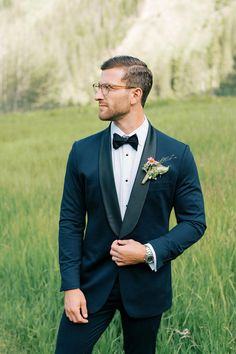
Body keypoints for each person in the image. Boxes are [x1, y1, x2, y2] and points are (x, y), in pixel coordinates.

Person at [55, 55, 206, 354]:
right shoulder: (81, 151)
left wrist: (148, 252)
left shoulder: (176, 154)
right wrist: (71, 286)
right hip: (90, 285)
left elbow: (194, 222)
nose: (98, 94)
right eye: (99, 86)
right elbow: (71, 222)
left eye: (108, 87)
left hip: (147, 286)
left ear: (135, 94)